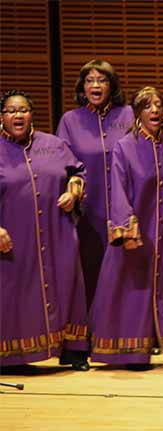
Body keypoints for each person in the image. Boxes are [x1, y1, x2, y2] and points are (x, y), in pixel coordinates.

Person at [90, 87, 163, 368]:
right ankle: (133, 350)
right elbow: (117, 188)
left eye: (158, 104)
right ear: (137, 113)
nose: (154, 110)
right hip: (138, 230)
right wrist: (125, 229)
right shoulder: (124, 146)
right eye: (147, 106)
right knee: (134, 289)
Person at [0, 90, 89, 368]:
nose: (18, 115)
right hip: (14, 236)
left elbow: (78, 172)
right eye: (12, 111)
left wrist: (73, 193)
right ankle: (15, 355)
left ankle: (73, 350)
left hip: (57, 232)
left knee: (67, 286)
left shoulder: (53, 144)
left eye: (23, 110)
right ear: (1, 117)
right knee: (16, 295)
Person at [56, 59, 134, 315]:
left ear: (112, 85)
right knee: (91, 268)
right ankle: (91, 330)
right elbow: (61, 165)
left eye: (101, 80)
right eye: (89, 80)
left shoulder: (128, 115)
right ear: (82, 87)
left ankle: (133, 331)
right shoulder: (70, 120)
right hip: (89, 211)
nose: (95, 85)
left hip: (126, 207)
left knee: (129, 270)